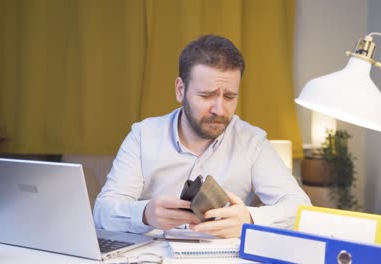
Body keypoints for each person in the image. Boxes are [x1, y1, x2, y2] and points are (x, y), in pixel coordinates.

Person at [93, 34, 311, 238]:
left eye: (229, 97)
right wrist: (144, 214)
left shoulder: (251, 141)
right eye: (206, 95)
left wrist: (251, 219)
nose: (220, 109)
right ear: (180, 90)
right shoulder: (143, 135)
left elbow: (301, 207)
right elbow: (102, 211)